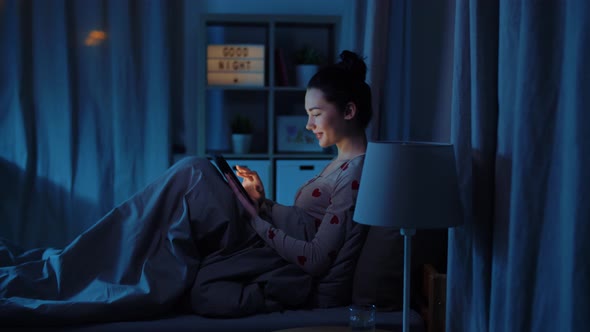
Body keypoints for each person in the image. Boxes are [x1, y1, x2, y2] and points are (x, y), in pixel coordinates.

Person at [0, 50, 373, 324]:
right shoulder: (339, 164)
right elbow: (305, 222)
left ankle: (74, 267)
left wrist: (255, 218)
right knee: (173, 199)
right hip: (259, 233)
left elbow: (318, 256)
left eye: (315, 114)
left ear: (349, 111)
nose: (308, 125)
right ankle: (78, 263)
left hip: (262, 247)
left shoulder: (355, 173)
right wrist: (262, 202)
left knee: (190, 174)